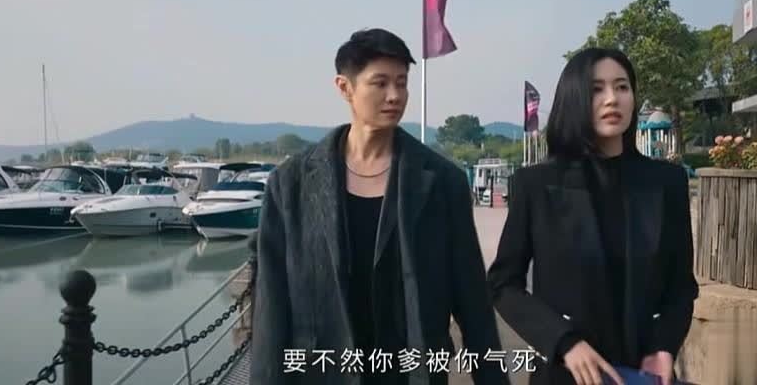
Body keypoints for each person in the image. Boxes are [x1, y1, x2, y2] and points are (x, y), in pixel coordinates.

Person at [250, 28, 509, 385]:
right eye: (380, 83)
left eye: (402, 83)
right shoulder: (290, 184)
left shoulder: (442, 181)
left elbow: (472, 298)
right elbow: (271, 305)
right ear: (345, 87)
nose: (395, 96)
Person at [486, 48, 699, 385]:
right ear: (574, 98)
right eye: (597, 89)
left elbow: (681, 288)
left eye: (622, 87)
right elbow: (503, 285)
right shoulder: (537, 184)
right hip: (567, 372)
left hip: (644, 373)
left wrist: (663, 347)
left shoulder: (667, 182)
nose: (612, 99)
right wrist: (563, 342)